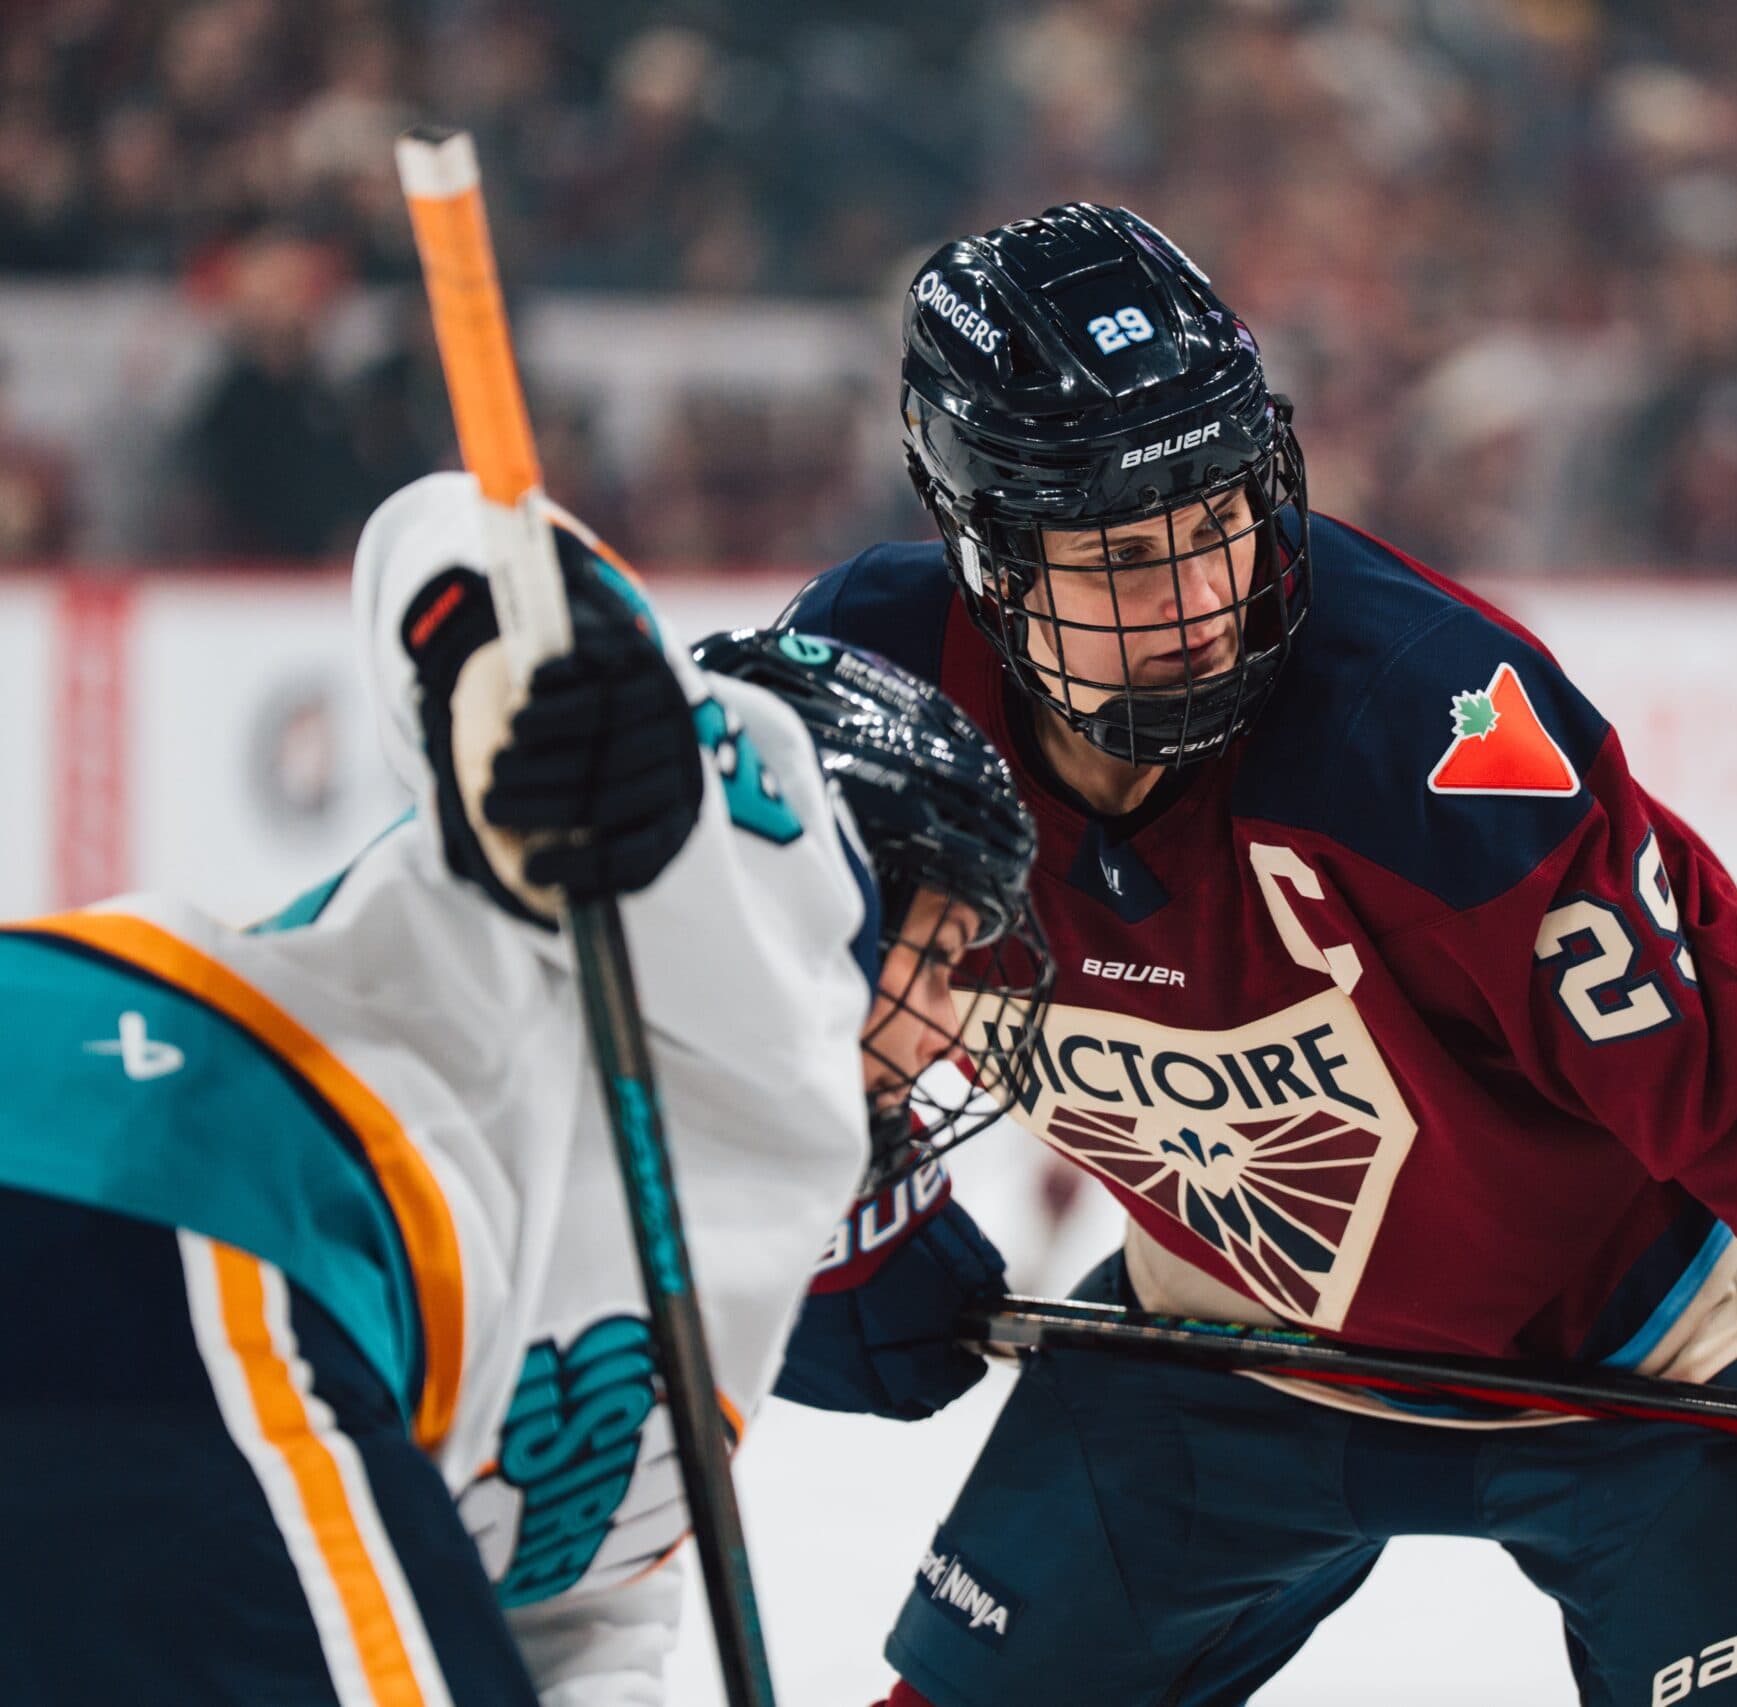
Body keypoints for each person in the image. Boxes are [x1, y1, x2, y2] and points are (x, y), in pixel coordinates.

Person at [780, 205, 1737, 1707]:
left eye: (1218, 522)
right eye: (1122, 556)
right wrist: (828, 1200)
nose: (1198, 605)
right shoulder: (874, 693)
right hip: (1218, 1346)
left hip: (1646, 1365)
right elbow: (750, 992)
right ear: (987, 553)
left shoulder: (1424, 723)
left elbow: (1731, 1043)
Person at [0, 470, 1051, 1705]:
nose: (947, 1029)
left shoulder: (752, 1215)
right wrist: (519, 659)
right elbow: (467, 536)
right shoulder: (748, 871)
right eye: (937, 956)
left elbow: (578, 1605)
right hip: (143, 1172)